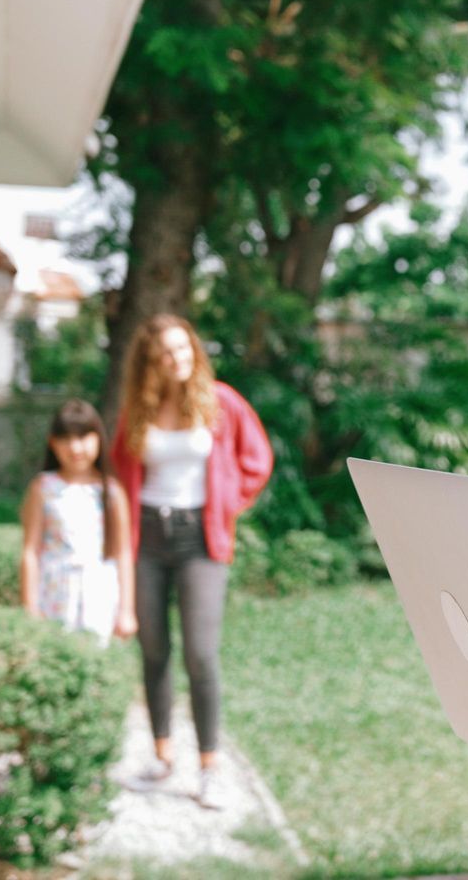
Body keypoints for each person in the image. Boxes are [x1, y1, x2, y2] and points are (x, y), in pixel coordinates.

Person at [111, 313, 274, 810]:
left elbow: (257, 460)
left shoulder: (221, 401)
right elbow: (119, 475)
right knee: (154, 649)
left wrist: (228, 504)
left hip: (200, 538)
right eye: (166, 354)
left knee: (200, 653)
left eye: (183, 350)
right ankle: (162, 759)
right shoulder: (138, 409)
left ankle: (209, 767)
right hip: (148, 538)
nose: (177, 360)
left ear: (194, 351)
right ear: (151, 362)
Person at [20, 399, 136, 644]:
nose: (75, 448)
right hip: (53, 592)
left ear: (98, 439)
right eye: (66, 439)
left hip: (99, 592)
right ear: (53, 443)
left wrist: (126, 610)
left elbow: (123, 552)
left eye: (83, 437)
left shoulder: (111, 491)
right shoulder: (43, 487)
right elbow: (30, 550)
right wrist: (30, 605)